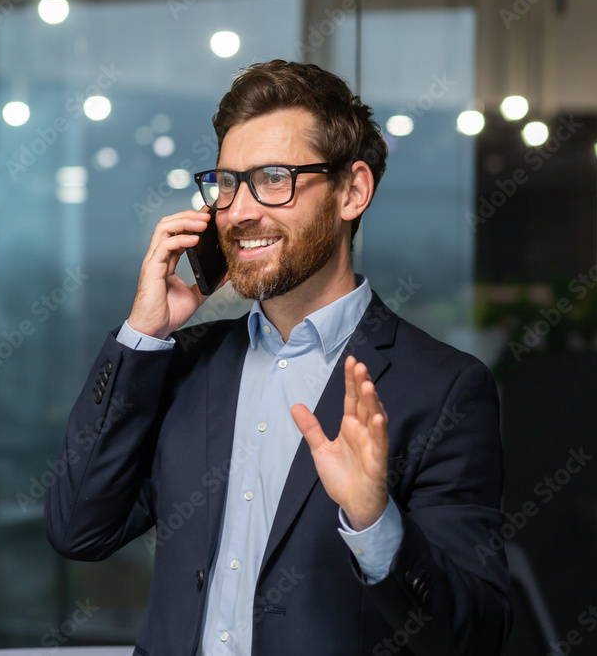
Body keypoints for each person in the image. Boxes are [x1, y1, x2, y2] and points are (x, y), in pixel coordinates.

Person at [45, 60, 511, 655]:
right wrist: (142, 334)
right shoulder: (180, 364)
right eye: (227, 182)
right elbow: (78, 527)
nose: (238, 211)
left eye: (273, 178)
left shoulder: (443, 388)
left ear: (352, 191)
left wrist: (375, 523)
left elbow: (477, 634)